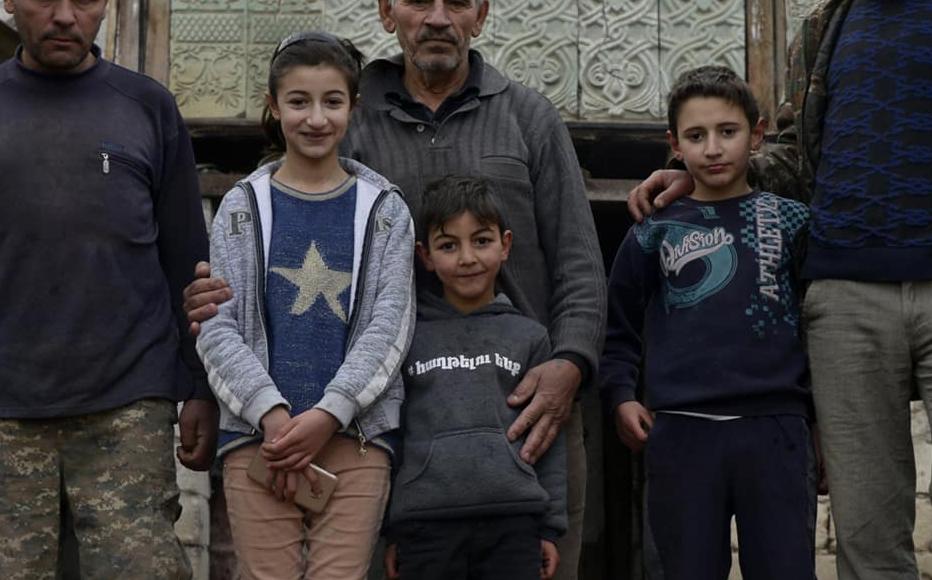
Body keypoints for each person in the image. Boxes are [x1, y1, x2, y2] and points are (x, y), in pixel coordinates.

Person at [183, 1, 606, 575]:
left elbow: (580, 258)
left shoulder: (528, 116)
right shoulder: (349, 120)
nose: (436, 17)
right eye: (416, 1)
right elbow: (263, 275)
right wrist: (209, 371)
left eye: (456, 2)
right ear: (386, 13)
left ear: (480, 15)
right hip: (394, 412)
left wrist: (571, 363)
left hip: (525, 404)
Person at [628, 2, 932, 578]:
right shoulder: (826, 26)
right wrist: (701, 180)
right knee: (869, 537)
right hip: (844, 293)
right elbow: (793, 151)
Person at [0, 0, 218, 578]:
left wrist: (199, 386)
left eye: (85, 0)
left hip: (128, 402)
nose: (66, 16)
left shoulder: (147, 106)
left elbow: (188, 264)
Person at [195, 31, 415, 580]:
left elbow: (390, 326)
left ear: (353, 107)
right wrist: (271, 415)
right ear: (274, 106)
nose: (316, 118)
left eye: (332, 101)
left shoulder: (385, 211)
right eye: (298, 101)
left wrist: (328, 413)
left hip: (356, 441)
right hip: (257, 441)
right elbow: (217, 327)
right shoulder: (241, 209)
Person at [603, 66, 815, 579]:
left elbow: (819, 328)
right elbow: (619, 330)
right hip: (681, 434)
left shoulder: (790, 221)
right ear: (674, 144)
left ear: (758, 133)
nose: (713, 148)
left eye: (728, 131)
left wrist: (819, 425)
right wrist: (621, 395)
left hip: (776, 430)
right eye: (696, 136)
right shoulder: (653, 232)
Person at [383, 176, 565, 580]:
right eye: (449, 245)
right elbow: (391, 435)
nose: (467, 258)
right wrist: (391, 530)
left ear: (505, 245)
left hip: (513, 521)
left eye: (481, 241)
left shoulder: (531, 337)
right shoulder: (406, 337)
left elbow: (550, 439)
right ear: (425, 255)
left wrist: (550, 527)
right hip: (425, 524)